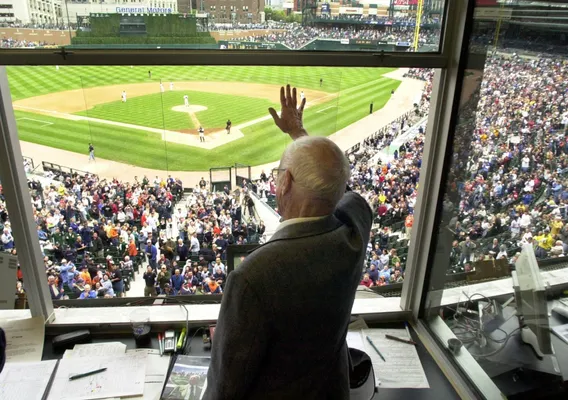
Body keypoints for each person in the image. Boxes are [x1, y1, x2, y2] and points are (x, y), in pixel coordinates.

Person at [204, 85, 372, 399]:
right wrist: (299, 133)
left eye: (280, 171)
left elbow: (225, 386)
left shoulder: (253, 275)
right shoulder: (356, 229)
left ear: (286, 182)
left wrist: (297, 134)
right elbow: (344, 190)